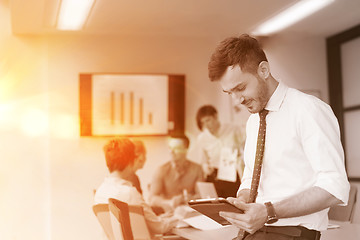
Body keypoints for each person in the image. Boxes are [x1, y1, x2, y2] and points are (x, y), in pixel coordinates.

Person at [207, 34, 350, 239]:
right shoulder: (253, 121)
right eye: (229, 93)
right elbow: (250, 177)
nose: (237, 100)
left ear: (263, 70)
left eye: (240, 88)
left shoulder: (308, 110)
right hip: (254, 231)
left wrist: (269, 211)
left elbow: (334, 187)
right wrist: (242, 200)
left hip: (291, 232)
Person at [94, 138, 178, 235]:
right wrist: (179, 218)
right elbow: (159, 227)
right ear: (130, 161)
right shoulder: (129, 193)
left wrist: (163, 218)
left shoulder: (101, 192)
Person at [188, 105, 245, 198]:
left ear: (215, 116)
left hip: (232, 174)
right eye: (203, 123)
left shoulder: (233, 129)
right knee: (214, 205)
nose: (206, 125)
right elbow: (204, 161)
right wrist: (206, 167)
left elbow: (245, 148)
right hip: (214, 175)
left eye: (208, 120)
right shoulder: (202, 138)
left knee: (233, 203)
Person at [149, 134, 204, 213]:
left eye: (176, 148)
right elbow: (152, 198)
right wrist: (170, 202)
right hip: (169, 214)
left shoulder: (197, 169)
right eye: (170, 148)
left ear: (186, 149)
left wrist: (190, 199)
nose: (171, 152)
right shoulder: (161, 170)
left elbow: (202, 196)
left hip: (191, 213)